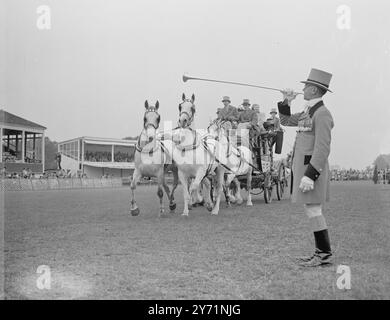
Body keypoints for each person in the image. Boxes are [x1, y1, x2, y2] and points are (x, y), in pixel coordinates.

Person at [277, 68, 334, 267]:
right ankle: (321, 253)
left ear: (314, 90)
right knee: (312, 210)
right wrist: (286, 102)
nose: (302, 88)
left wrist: (310, 175)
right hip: (304, 170)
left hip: (312, 172)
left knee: (314, 209)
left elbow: (322, 148)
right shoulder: (308, 111)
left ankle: (324, 254)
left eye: (306, 86)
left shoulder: (323, 114)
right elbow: (285, 120)